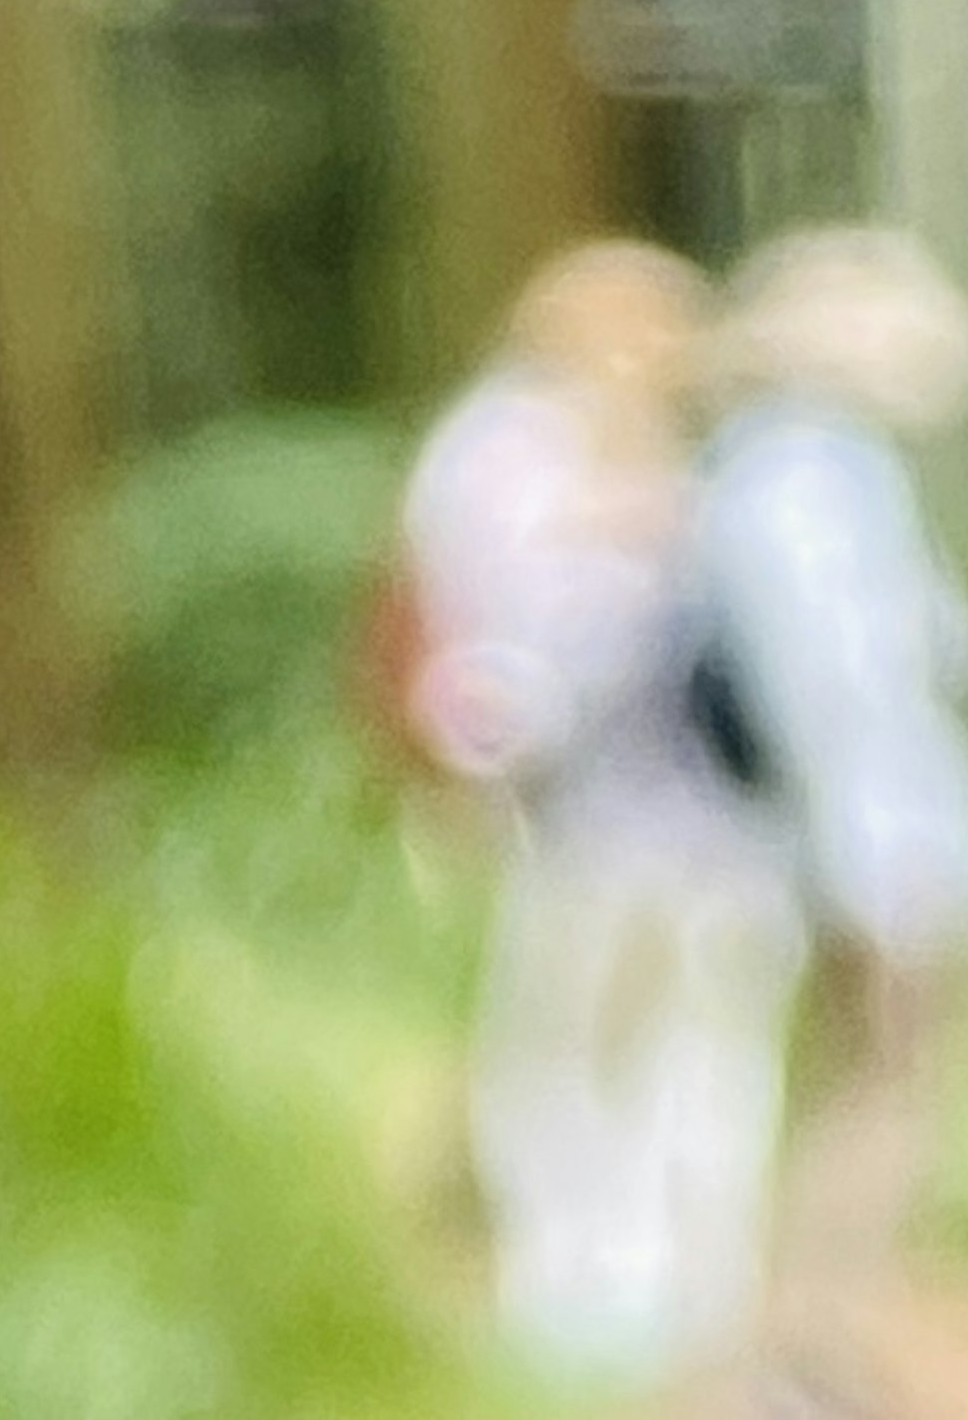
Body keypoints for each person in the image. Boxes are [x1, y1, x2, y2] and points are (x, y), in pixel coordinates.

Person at [392, 240, 806, 1384]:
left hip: (716, 832)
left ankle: (698, 1306)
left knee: (705, 1057)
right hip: (581, 821)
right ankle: (568, 1298)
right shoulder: (498, 450)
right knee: (570, 1049)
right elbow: (496, 656)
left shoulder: (709, 460)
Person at [692, 224, 968, 1411]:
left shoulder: (781, 468)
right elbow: (838, 692)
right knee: (884, 1089)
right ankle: (805, 1352)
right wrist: (887, 866)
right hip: (879, 838)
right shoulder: (806, 478)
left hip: (850, 835)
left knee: (857, 1087)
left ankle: (811, 1341)